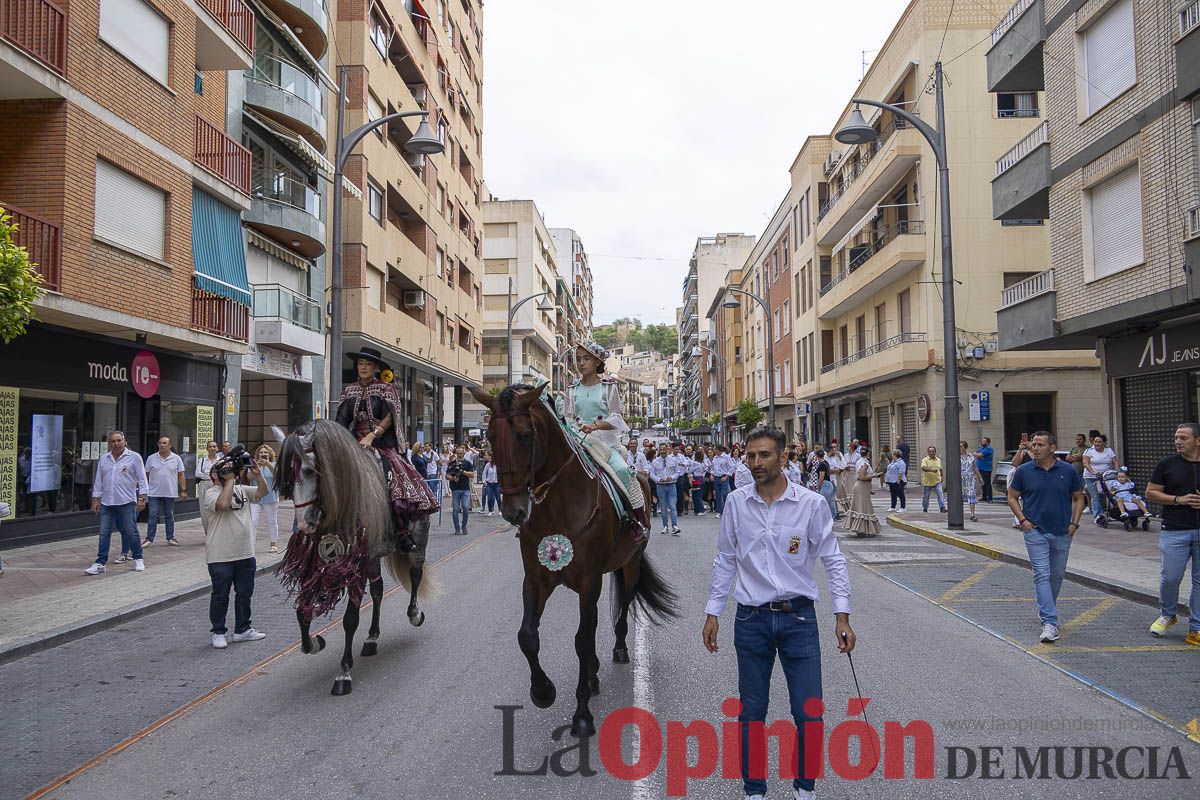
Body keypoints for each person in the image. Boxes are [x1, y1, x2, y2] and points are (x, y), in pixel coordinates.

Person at [702, 426, 855, 800]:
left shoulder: (811, 504)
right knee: (752, 713)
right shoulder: (736, 503)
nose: (756, 463)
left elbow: (833, 560)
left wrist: (842, 614)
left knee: (809, 712)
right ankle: (754, 790)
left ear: (783, 457)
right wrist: (713, 611)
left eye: (765, 455)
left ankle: (805, 788)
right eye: (751, 456)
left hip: (799, 620)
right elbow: (725, 560)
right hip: (750, 620)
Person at [335, 347, 438, 548]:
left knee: (395, 475)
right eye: (360, 364)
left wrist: (372, 436)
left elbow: (391, 417)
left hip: (381, 441)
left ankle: (401, 529)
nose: (363, 367)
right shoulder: (349, 390)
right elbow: (341, 419)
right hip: (354, 440)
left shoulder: (386, 389)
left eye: (368, 364)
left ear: (375, 368)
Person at [558, 341, 651, 536]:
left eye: (586, 359)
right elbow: (567, 417)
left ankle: (637, 520)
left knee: (623, 471)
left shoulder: (608, 387)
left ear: (597, 362)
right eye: (578, 359)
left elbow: (616, 417)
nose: (581, 363)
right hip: (577, 442)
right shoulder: (572, 389)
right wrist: (575, 431)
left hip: (606, 444)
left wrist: (594, 426)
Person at [1007, 431, 1085, 644]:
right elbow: (1012, 497)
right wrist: (1023, 521)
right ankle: (1050, 622)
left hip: (1063, 531)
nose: (1035, 448)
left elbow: (1079, 498)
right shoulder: (1024, 471)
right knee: (1042, 574)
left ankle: (1046, 610)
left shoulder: (1067, 471)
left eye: (1040, 444)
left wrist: (1074, 524)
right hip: (1035, 531)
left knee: (1057, 575)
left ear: (1052, 447)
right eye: (1033, 445)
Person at [204, 449, 269, 649]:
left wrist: (258, 476)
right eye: (222, 471)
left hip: (245, 553)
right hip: (220, 555)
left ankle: (243, 629)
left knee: (244, 594)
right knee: (220, 595)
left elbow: (262, 493)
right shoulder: (211, 492)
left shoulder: (241, 489)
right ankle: (218, 631)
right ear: (215, 475)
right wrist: (230, 481)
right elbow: (223, 504)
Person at [1144, 424, 1200, 646]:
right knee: (1171, 577)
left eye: (1183, 438)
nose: (1178, 441)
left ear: (1197, 440)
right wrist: (1179, 499)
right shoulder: (1167, 464)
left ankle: (1196, 628)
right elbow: (1150, 492)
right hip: (1175, 529)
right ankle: (1168, 614)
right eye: (1176, 437)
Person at [85, 431, 148, 575]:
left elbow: (143, 479)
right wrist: (95, 499)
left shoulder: (134, 457)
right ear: (109, 443)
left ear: (124, 441)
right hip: (107, 502)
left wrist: (142, 498)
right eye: (113, 441)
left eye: (119, 440)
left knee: (131, 530)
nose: (116, 443)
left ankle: (138, 558)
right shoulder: (104, 458)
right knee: (104, 532)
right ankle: (100, 563)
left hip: (126, 501)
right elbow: (99, 481)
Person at [142, 436, 185, 546]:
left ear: (170, 445)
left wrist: (183, 489)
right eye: (160, 443)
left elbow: (181, 475)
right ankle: (149, 539)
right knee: (152, 515)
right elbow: (145, 475)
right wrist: (144, 490)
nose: (162, 445)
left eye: (165, 443)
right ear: (158, 444)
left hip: (170, 492)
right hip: (153, 492)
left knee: (169, 515)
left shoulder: (176, 458)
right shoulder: (151, 458)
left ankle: (170, 538)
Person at [249, 444, 280, 553]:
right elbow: (248, 478)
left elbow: (277, 475)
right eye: (261, 452)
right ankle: (251, 545)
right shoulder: (253, 465)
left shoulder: (274, 464)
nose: (263, 454)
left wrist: (267, 464)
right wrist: (256, 468)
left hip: (270, 497)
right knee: (253, 522)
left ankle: (273, 544)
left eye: (265, 452)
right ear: (258, 454)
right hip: (256, 496)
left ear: (270, 454)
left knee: (272, 521)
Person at [1083, 434, 1118, 527]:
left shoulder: (1109, 451)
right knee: (1095, 497)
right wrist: (1093, 471)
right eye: (1095, 442)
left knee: (1103, 496)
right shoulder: (1089, 451)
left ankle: (1103, 514)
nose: (1096, 443)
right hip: (1091, 477)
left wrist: (1118, 471)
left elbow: (1115, 461)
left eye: (1099, 442)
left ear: (1104, 443)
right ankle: (1098, 516)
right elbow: (1085, 463)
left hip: (1105, 478)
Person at [846, 447, 881, 537]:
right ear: (868, 454)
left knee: (862, 507)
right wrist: (875, 475)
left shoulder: (859, 461)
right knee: (862, 508)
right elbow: (862, 477)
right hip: (862, 485)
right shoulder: (864, 463)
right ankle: (861, 529)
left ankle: (862, 529)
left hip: (863, 487)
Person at [649, 446, 681, 535]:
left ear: (667, 450)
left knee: (672, 506)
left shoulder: (673, 460)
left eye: (664, 449)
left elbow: (678, 472)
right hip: (660, 486)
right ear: (659, 450)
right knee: (663, 507)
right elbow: (651, 474)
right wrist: (659, 479)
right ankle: (665, 526)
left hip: (671, 485)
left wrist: (672, 477)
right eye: (661, 450)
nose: (662, 451)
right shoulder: (655, 462)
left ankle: (674, 526)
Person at [446, 446, 474, 535]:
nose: (459, 455)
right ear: (456, 454)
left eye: (461, 453)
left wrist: (463, 472)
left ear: (464, 453)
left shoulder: (468, 463)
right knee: (455, 509)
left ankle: (464, 526)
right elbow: (447, 476)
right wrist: (453, 478)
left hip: (465, 489)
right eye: (458, 453)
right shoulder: (452, 464)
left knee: (465, 507)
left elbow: (472, 474)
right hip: (455, 489)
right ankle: (457, 528)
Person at [960, 440, 985, 522]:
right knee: (960, 495)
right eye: (959, 446)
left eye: (961, 446)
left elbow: (974, 467)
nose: (960, 448)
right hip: (961, 478)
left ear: (965, 447)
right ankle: (960, 512)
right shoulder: (956, 456)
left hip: (970, 478)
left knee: (971, 494)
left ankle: (972, 514)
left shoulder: (970, 456)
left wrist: (980, 477)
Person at [711, 445, 736, 518]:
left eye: (715, 449)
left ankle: (726, 510)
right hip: (716, 477)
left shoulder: (726, 457)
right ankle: (719, 511)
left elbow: (732, 467)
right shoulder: (715, 458)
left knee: (725, 494)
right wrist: (712, 474)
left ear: (719, 450)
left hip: (724, 477)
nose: (714, 451)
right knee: (718, 495)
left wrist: (726, 476)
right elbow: (713, 468)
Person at [920, 445, 946, 513]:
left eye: (933, 451)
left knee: (940, 494)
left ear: (935, 452)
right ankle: (925, 508)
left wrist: (942, 477)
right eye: (930, 451)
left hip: (937, 481)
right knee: (926, 497)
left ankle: (942, 508)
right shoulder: (925, 460)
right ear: (928, 452)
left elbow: (940, 469)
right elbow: (923, 468)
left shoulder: (938, 460)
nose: (931, 453)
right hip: (927, 482)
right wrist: (931, 470)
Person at [812, 448, 836, 520]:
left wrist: (819, 486)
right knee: (829, 501)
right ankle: (832, 516)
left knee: (824, 503)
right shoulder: (826, 462)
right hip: (829, 483)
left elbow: (821, 477)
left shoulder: (821, 464)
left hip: (825, 484)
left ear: (816, 455)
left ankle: (827, 518)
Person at [195, 440, 219, 507]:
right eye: (210, 447)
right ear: (207, 449)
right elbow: (197, 474)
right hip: (204, 484)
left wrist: (205, 473)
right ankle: (204, 518)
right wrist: (212, 475)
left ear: (217, 448)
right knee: (203, 505)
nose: (212, 448)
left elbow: (220, 474)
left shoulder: (220, 461)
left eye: (214, 446)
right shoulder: (202, 460)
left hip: (216, 484)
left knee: (215, 504)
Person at [974, 437, 995, 503]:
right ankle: (984, 496)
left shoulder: (988, 449)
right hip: (981, 468)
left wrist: (978, 455)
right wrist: (977, 455)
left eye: (984, 441)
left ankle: (990, 498)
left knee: (987, 483)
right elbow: (976, 453)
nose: (982, 442)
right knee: (982, 482)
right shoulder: (982, 448)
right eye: (982, 441)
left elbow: (979, 455)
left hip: (986, 469)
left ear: (988, 442)